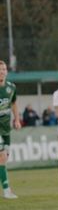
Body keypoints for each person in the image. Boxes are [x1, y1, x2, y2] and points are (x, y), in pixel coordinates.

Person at [0, 60, 21, 199]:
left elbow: (14, 103)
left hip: (6, 128)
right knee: (1, 156)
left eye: (4, 69)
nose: (2, 72)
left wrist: (17, 119)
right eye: (0, 70)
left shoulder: (11, 87)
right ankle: (7, 190)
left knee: (5, 157)